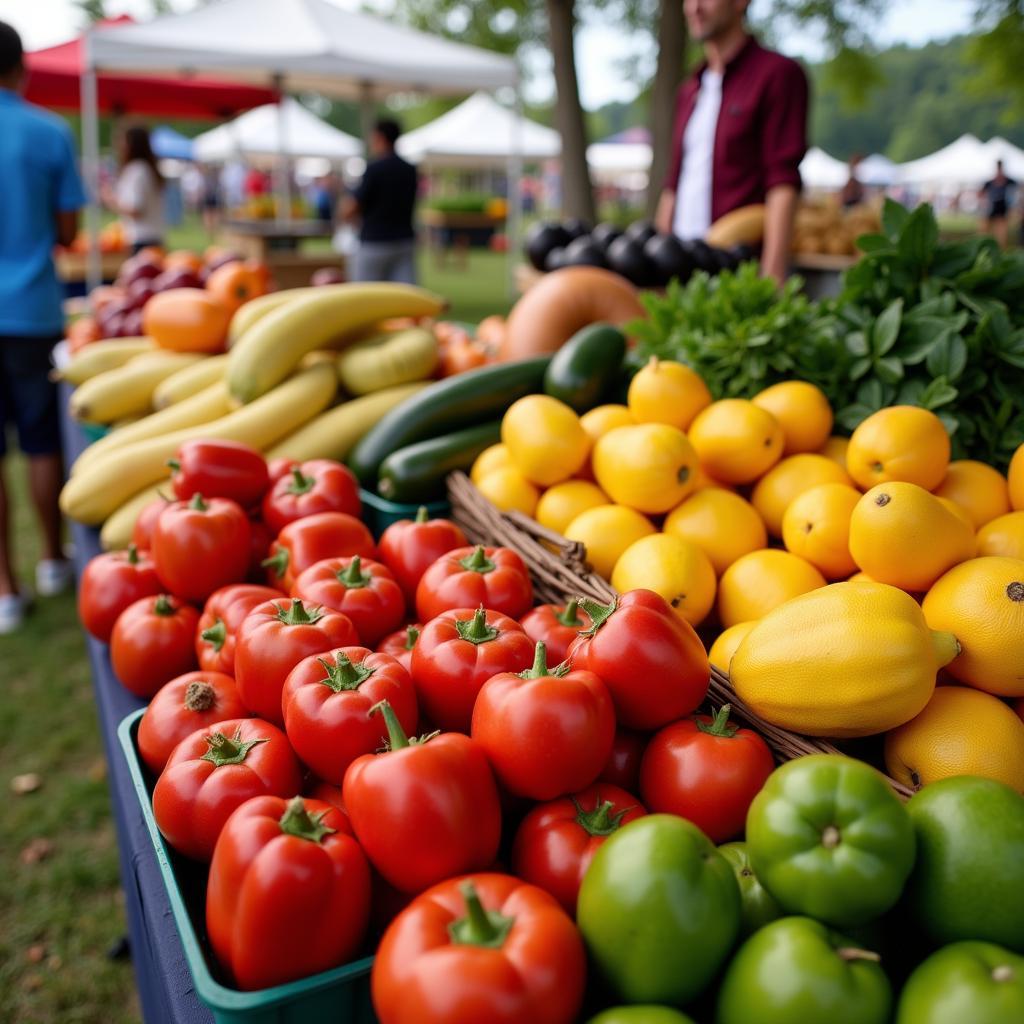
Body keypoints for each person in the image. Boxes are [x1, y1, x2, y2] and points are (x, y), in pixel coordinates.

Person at [0, 21, 86, 633]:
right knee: (40, 440)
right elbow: (67, 233)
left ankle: (5, 588)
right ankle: (53, 559)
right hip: (31, 309)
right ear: (21, 67)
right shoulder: (48, 131)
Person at [655, 0, 809, 282]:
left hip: (737, 271)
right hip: (680, 269)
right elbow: (674, 182)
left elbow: (782, 182)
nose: (694, 8)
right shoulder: (690, 90)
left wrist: (772, 276)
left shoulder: (777, 75)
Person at [343, 119, 418, 283]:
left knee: (366, 297)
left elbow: (353, 206)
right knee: (403, 298)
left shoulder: (374, 169)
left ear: (380, 137)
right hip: (404, 241)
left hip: (375, 241)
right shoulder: (410, 170)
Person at [102, 125, 165, 252]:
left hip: (140, 239)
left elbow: (135, 209)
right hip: (152, 237)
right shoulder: (146, 168)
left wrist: (110, 199)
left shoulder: (137, 170)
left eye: (122, 140)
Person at [980, 160, 1016, 249]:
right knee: (984, 231)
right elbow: (981, 194)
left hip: (1002, 210)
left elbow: (1016, 193)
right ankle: (986, 247)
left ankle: (1000, 249)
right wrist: (984, 202)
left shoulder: (1009, 182)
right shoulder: (990, 182)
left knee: (1001, 234)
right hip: (991, 209)